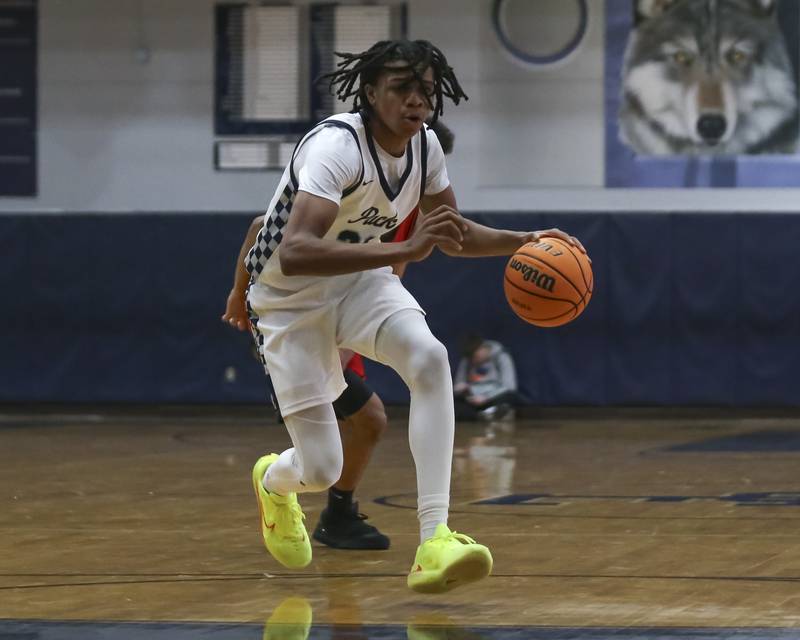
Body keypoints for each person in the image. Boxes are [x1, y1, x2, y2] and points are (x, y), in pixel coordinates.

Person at [243, 38, 585, 593]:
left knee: (430, 358)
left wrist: (526, 240)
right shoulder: (337, 147)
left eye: (426, 89)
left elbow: (453, 232)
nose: (417, 100)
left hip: (359, 280)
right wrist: (401, 250)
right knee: (323, 468)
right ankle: (275, 482)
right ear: (371, 92)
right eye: (402, 87)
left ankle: (435, 539)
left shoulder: (426, 148)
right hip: (288, 300)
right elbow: (296, 250)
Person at [222, 121, 456, 551]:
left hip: (347, 305)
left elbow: (392, 274)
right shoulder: (344, 164)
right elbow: (264, 227)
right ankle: (318, 500)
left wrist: (524, 240)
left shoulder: (405, 207)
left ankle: (346, 512)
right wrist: (239, 294)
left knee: (396, 393)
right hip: (293, 312)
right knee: (361, 426)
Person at [453, 333, 517, 422]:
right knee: (455, 404)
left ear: (483, 348)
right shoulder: (467, 360)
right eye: (472, 359)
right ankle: (485, 415)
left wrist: (486, 397)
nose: (474, 361)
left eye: (476, 357)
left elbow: (509, 386)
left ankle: (492, 412)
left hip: (493, 396)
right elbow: (458, 385)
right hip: (473, 397)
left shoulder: (501, 356)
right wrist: (461, 388)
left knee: (509, 398)